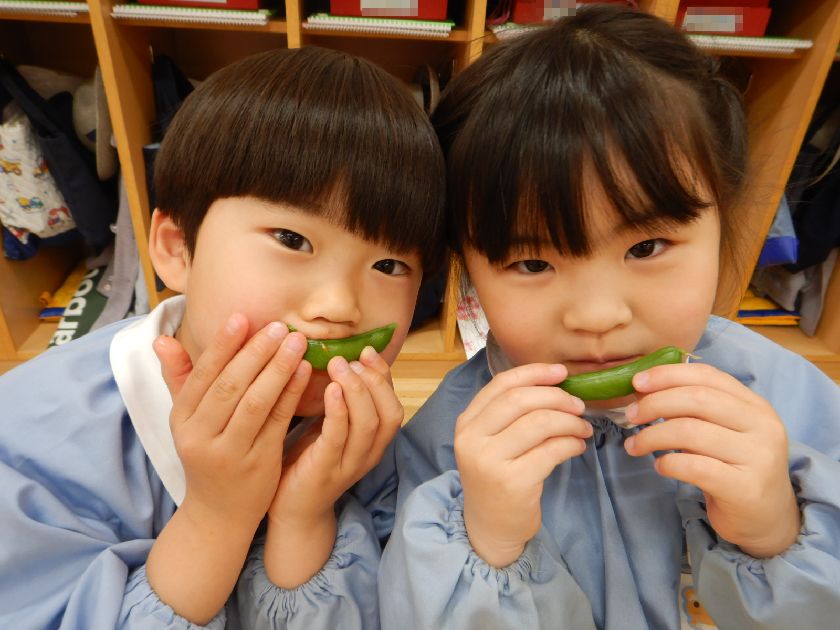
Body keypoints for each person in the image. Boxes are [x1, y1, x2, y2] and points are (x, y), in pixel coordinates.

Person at [371, 5, 840, 629]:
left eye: (646, 248)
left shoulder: (790, 398)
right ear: (465, 268)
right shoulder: (447, 443)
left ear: (725, 221)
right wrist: (488, 540)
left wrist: (775, 529)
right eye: (532, 264)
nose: (597, 316)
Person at [0, 46, 445, 629]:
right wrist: (218, 515)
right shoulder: (31, 444)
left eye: (389, 266)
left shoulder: (365, 433)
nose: (340, 307)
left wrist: (304, 519)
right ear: (176, 249)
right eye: (291, 238)